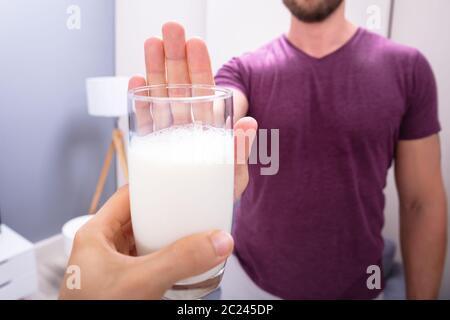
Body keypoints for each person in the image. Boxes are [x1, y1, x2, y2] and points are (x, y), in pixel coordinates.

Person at [213, 0, 447, 299]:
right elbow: (222, 110)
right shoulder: (243, 71)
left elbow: (421, 204)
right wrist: (198, 122)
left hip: (361, 287)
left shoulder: (407, 69)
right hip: (248, 284)